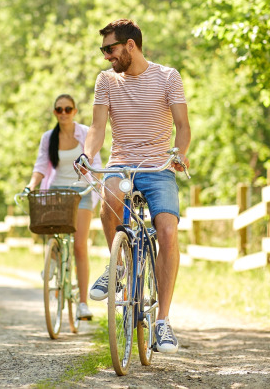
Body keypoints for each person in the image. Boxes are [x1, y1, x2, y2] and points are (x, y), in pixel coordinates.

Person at [76, 19, 191, 354]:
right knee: (108, 196)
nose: (106, 57)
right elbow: (97, 127)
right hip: (121, 162)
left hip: (159, 167)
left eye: (110, 49)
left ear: (130, 45)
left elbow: (183, 125)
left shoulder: (168, 76)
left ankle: (163, 322)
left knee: (167, 232)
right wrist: (87, 154)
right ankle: (119, 265)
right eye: (104, 50)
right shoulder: (106, 81)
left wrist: (179, 154)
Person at [25, 94, 103, 322]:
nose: (64, 113)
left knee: (80, 246)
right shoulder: (49, 138)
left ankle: (82, 305)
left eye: (68, 109)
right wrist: (31, 185)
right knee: (48, 225)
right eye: (59, 109)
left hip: (82, 192)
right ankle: (54, 260)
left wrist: (98, 184)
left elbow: (95, 164)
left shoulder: (85, 133)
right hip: (56, 189)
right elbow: (40, 164)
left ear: (75, 111)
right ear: (54, 113)